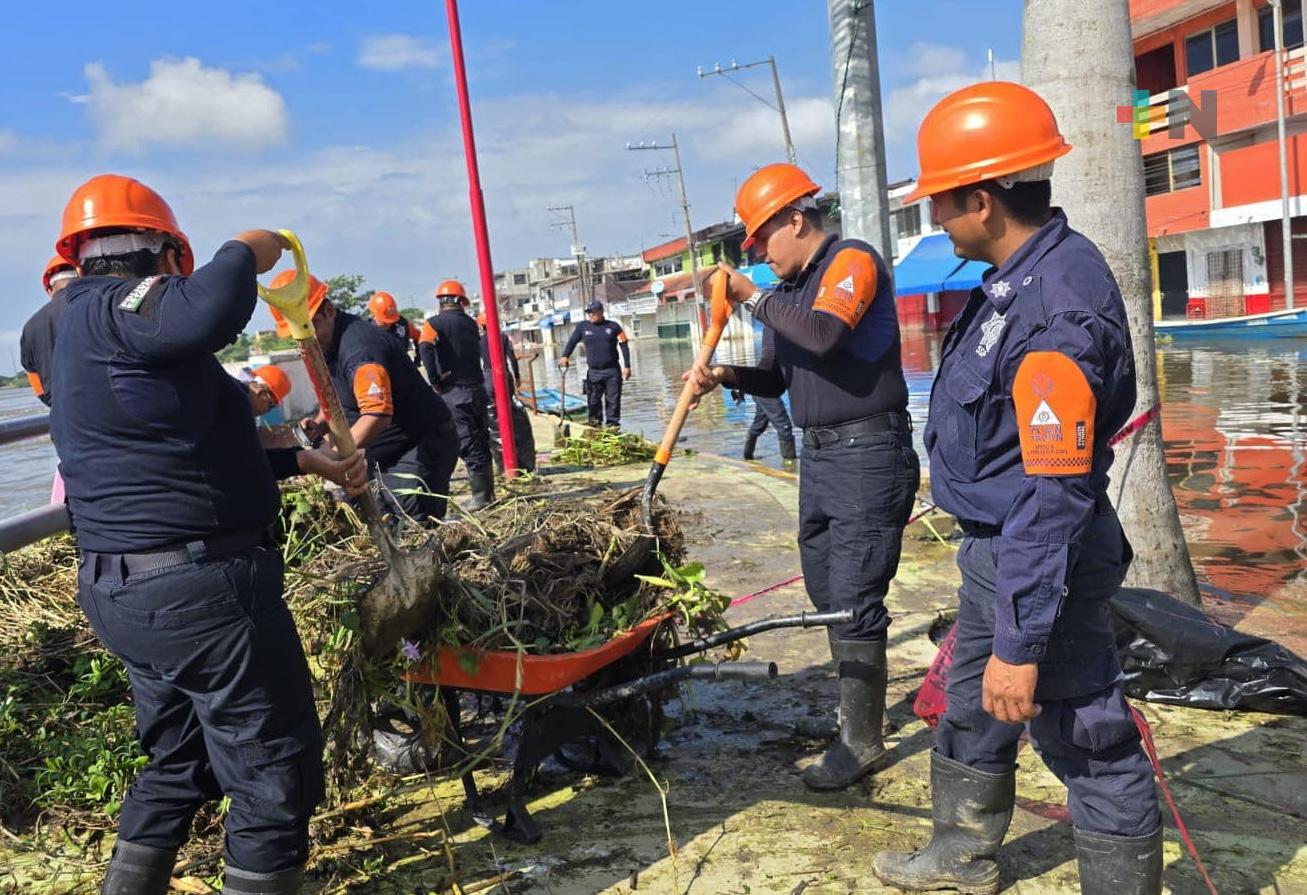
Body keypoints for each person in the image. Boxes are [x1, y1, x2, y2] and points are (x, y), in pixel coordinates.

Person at [870, 82, 1161, 895]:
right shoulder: (1013, 281)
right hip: (997, 553)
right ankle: (958, 855)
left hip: (1043, 559)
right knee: (969, 705)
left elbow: (1053, 496)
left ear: (984, 198)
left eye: (942, 203)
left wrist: (1018, 642)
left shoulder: (1056, 309)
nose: (936, 220)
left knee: (1085, 736)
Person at [48, 173, 368, 895]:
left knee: (182, 760)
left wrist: (300, 458)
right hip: (199, 593)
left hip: (128, 586)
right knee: (271, 773)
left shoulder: (82, 332)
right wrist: (253, 246)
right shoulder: (115, 309)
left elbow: (188, 446)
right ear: (165, 255)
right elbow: (213, 305)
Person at [682, 162, 920, 792]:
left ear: (796, 219)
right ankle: (856, 710)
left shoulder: (852, 263)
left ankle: (861, 742)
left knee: (853, 598)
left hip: (868, 452)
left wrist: (749, 295)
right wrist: (725, 377)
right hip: (820, 458)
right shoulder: (788, 295)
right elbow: (781, 375)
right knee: (825, 589)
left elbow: (822, 337)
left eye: (762, 239)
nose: (757, 252)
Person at [276, 271, 461, 523]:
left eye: (308, 326)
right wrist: (319, 422)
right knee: (365, 518)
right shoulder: (322, 347)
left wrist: (330, 456)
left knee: (405, 521)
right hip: (379, 454)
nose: (303, 339)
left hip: (418, 446)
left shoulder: (360, 349)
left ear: (329, 311)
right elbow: (338, 397)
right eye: (296, 333)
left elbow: (377, 414)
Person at [418, 279, 495, 508]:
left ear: (441, 302)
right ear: (461, 301)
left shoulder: (433, 324)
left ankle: (481, 498)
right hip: (477, 389)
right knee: (481, 439)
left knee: (468, 442)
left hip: (454, 392)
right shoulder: (471, 323)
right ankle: (487, 494)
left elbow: (424, 347)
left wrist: (434, 379)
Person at [559, 299, 630, 428]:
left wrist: (627, 366)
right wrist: (565, 356)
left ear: (601, 312)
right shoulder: (583, 327)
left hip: (612, 371)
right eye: (589, 312)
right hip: (593, 372)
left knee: (613, 401)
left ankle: (612, 427)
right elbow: (572, 342)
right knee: (593, 401)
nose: (590, 315)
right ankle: (595, 427)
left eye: (593, 312)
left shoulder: (613, 326)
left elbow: (624, 344)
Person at [20, 255, 78, 405]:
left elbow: (38, 386)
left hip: (64, 416)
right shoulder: (100, 303)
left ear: (49, 289)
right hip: (109, 411)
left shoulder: (30, 327)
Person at [367, 290, 421, 363]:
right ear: (373, 315)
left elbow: (421, 338)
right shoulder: (367, 332)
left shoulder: (402, 324)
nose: (389, 323)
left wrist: (418, 358)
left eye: (391, 320)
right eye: (384, 322)